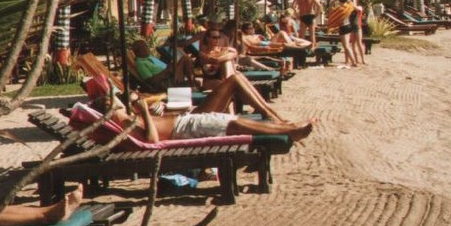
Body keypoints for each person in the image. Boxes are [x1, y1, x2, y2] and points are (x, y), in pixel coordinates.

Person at [109, 94, 314, 144]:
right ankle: (289, 131)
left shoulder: (125, 118)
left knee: (237, 122)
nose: (122, 103)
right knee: (236, 125)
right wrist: (144, 110)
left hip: (186, 122)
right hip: (184, 128)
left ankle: (286, 127)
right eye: (118, 103)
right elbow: (152, 140)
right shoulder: (122, 120)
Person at [130, 39, 194, 88]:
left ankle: (192, 83)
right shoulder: (140, 64)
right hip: (165, 82)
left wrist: (170, 68)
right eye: (144, 47)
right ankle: (192, 84)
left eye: (146, 46)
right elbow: (152, 81)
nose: (147, 48)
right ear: (138, 51)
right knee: (185, 59)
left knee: (185, 59)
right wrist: (167, 70)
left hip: (169, 76)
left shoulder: (149, 58)